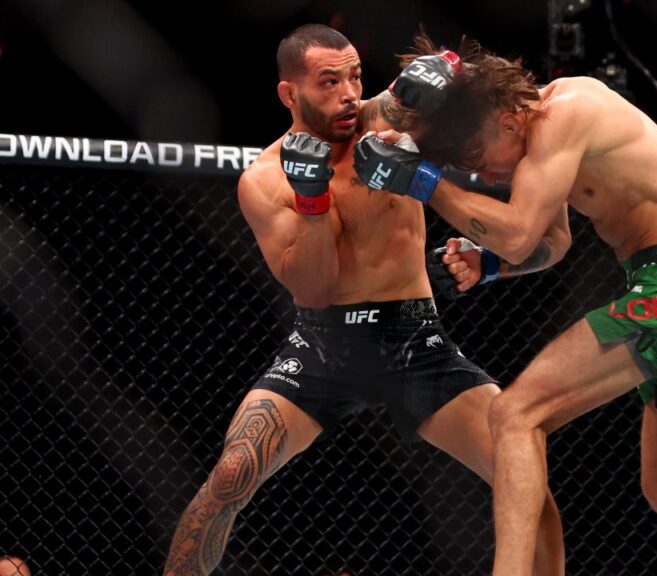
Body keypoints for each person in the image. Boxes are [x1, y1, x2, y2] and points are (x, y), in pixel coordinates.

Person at [354, 35, 657, 576]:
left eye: (477, 159)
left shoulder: (570, 110)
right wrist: (489, 265)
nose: (488, 177)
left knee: (515, 413)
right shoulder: (541, 143)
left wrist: (422, 182)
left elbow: (516, 234)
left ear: (508, 118)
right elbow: (549, 246)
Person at [162, 25, 563, 576]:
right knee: (230, 477)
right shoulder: (264, 179)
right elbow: (314, 289)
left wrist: (451, 65)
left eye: (354, 75)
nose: (349, 93)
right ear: (289, 94)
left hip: (415, 341)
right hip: (326, 344)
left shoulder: (396, 118)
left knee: (526, 478)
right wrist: (311, 198)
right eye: (329, 82)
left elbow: (495, 89)